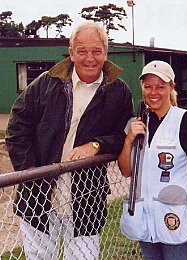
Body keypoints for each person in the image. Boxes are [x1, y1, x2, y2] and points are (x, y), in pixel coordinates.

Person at [5, 22, 134, 259]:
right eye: (82, 50)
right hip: (40, 199)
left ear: (106, 53)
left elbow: (123, 136)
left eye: (96, 50)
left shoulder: (119, 91)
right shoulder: (46, 83)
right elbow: (17, 126)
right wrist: (30, 170)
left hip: (87, 199)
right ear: (71, 53)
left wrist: (96, 145)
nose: (89, 58)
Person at [119, 60, 187, 260]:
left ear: (171, 87)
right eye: (148, 87)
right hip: (146, 220)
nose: (153, 92)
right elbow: (126, 170)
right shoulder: (136, 123)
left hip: (178, 219)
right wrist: (129, 140)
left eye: (160, 87)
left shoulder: (186, 121)